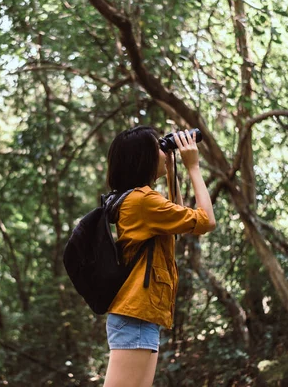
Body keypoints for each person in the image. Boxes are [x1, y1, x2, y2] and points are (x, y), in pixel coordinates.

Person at [103, 126, 216, 387]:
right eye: (158, 148)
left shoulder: (141, 200)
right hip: (136, 316)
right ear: (143, 158)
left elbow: (178, 216)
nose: (163, 153)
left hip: (142, 316)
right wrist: (194, 167)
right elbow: (206, 221)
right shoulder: (142, 201)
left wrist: (174, 164)